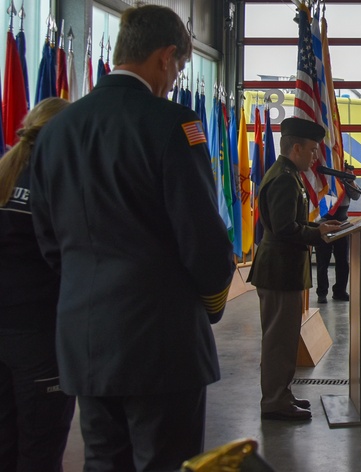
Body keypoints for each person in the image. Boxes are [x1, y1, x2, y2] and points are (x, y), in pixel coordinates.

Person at [29, 6, 236, 470]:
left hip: (86, 343)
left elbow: (47, 239)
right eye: (180, 66)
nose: (176, 78)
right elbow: (203, 240)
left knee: (104, 463)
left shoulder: (56, 131)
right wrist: (211, 304)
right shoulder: (171, 125)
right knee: (167, 461)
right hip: (161, 345)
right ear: (165, 58)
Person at [248, 117, 344, 421]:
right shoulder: (284, 179)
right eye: (313, 150)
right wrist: (317, 233)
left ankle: (282, 393)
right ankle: (274, 401)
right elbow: (285, 228)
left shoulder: (288, 175)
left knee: (285, 338)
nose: (315, 157)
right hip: (278, 271)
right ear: (297, 148)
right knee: (278, 340)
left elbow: (292, 223)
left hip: (284, 270)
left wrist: (318, 226)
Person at [0, 98, 75, 472]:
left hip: (6, 332)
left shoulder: (5, 176)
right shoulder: (54, 188)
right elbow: (68, 260)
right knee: (40, 453)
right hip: (39, 338)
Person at [315, 162, 361, 303]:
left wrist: (349, 180)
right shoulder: (325, 177)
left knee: (343, 261)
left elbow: (356, 196)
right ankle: (322, 293)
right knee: (323, 261)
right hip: (324, 220)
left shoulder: (344, 179)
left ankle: (340, 291)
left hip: (342, 222)